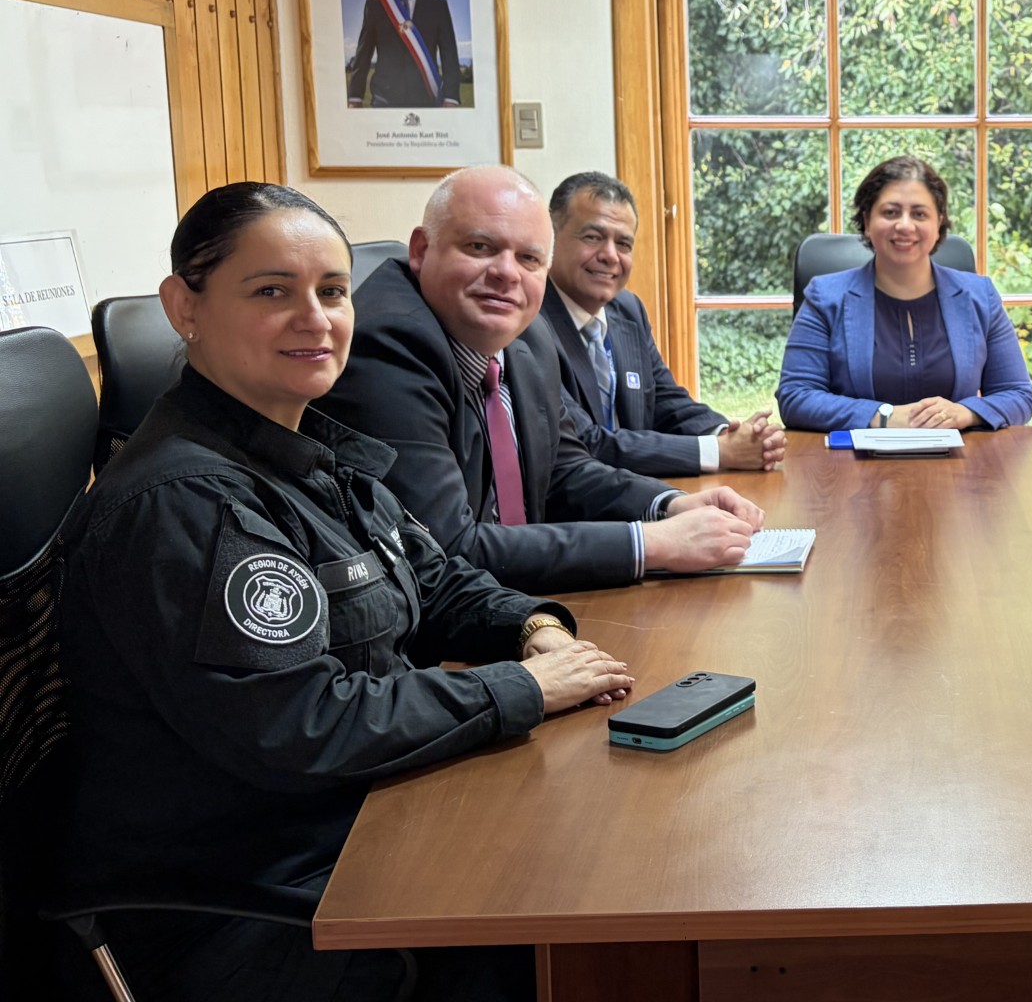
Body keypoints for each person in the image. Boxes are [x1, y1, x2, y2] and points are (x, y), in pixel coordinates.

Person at [58, 182, 634, 1001]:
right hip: (253, 908)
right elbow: (303, 724)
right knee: (571, 916)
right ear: (183, 306)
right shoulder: (185, 504)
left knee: (593, 846)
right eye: (271, 292)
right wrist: (525, 689)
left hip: (350, 831)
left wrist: (531, 627)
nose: (316, 317)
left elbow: (432, 575)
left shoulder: (301, 446)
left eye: (331, 292)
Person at [318, 166, 763, 596]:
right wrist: (654, 543)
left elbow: (565, 470)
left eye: (528, 258)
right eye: (479, 246)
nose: (507, 273)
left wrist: (669, 504)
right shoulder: (387, 345)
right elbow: (448, 551)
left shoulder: (526, 333)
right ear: (420, 250)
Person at [540, 171, 785, 477]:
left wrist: (729, 434)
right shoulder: (530, 323)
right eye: (593, 237)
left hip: (641, 495)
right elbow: (587, 443)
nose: (610, 256)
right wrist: (720, 452)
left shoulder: (627, 310)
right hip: (574, 514)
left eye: (624, 244)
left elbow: (665, 402)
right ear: (549, 238)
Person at [776, 155, 1032, 432]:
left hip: (957, 466)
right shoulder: (825, 297)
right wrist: (882, 415)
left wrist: (966, 413)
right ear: (867, 220)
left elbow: (1018, 394)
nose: (905, 225)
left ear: (939, 224)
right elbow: (796, 396)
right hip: (853, 467)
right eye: (890, 212)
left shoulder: (979, 296)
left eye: (919, 214)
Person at [346, 0, 463, 109]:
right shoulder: (375, 5)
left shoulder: (438, 6)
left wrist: (451, 97)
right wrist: (355, 97)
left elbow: (449, 55)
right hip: (385, 98)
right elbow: (363, 53)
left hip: (427, 97)